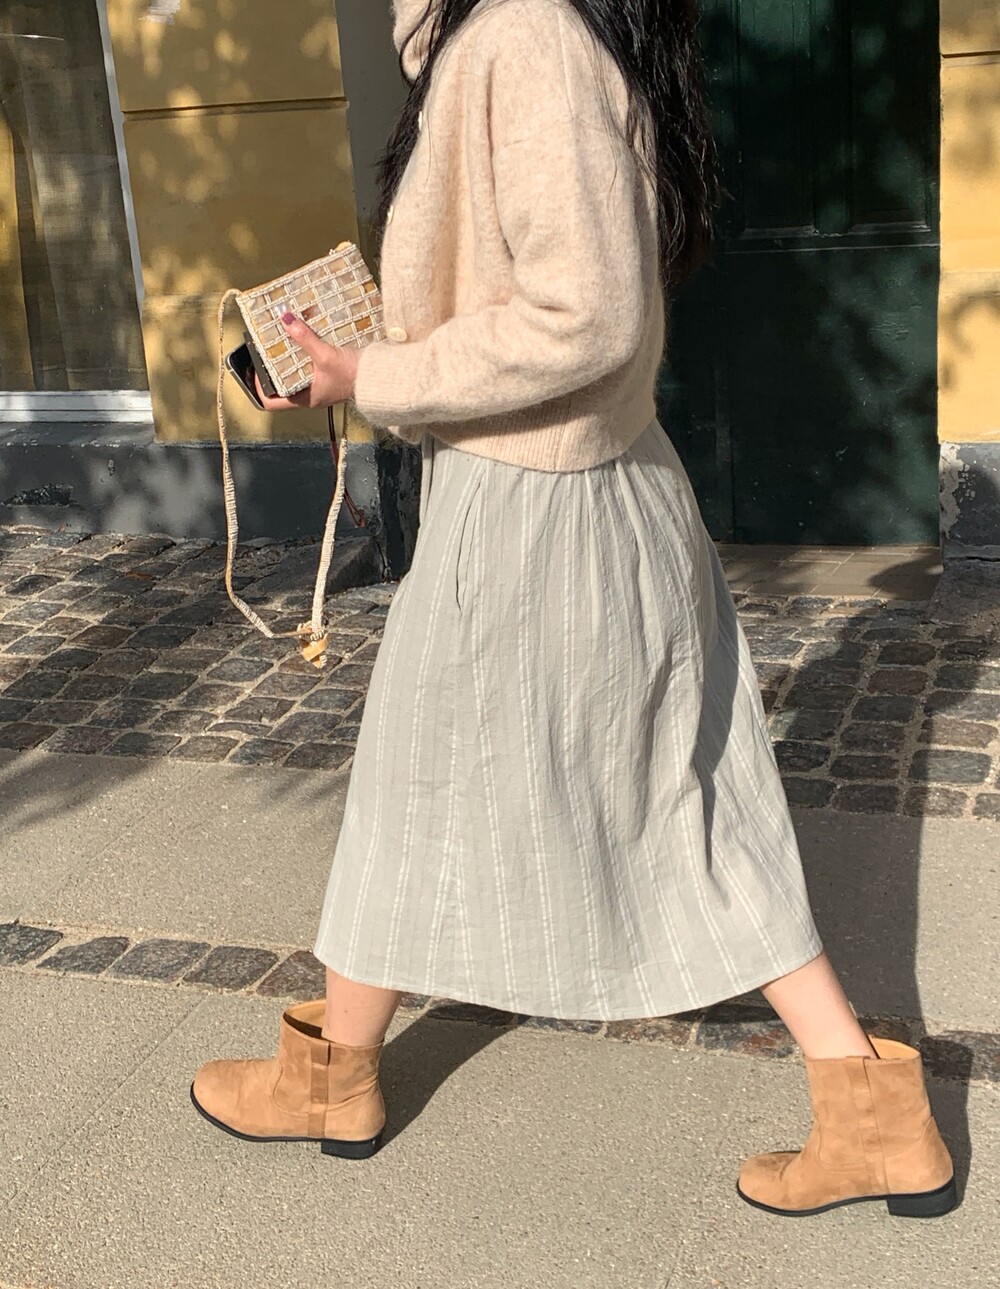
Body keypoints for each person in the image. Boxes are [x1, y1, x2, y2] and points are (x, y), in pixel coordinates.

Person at [191, 0, 956, 1219]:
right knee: (676, 792)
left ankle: (332, 1080)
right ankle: (871, 1110)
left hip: (530, 503)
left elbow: (584, 313)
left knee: (427, 785)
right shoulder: (528, 33)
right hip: (587, 482)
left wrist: (371, 372)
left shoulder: (526, 36)